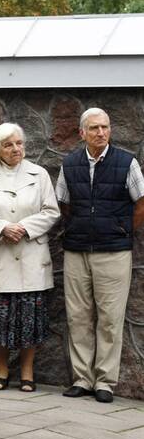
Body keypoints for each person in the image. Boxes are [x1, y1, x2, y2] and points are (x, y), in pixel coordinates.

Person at [57, 107, 144, 403]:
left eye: (105, 127)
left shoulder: (126, 162)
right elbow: (64, 204)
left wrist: (122, 230)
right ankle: (82, 379)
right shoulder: (69, 164)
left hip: (113, 251)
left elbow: (141, 202)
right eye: (94, 128)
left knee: (109, 318)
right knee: (78, 316)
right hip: (77, 250)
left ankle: (105, 381)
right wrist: (80, 226)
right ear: (82, 133)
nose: (101, 133)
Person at [0, 123, 59, 393]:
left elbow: (51, 211)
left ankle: (27, 370)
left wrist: (25, 227)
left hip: (31, 255)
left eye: (19, 143)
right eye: (9, 144)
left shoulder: (40, 174)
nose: (16, 149)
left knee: (30, 318)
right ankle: (1, 369)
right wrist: (1, 228)